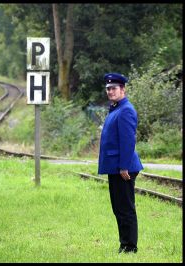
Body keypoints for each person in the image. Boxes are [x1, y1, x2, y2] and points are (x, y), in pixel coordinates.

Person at [98, 72, 143, 254]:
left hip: (123, 168)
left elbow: (128, 141)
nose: (110, 91)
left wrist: (124, 166)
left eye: (114, 88)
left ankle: (130, 247)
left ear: (122, 89)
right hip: (115, 166)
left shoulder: (125, 110)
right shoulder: (115, 108)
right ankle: (124, 244)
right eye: (108, 89)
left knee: (125, 209)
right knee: (118, 208)